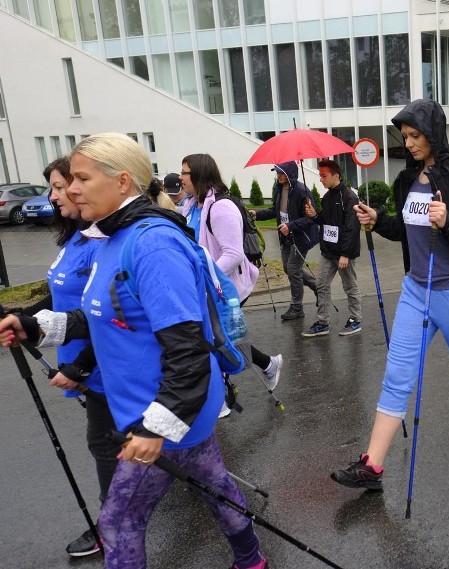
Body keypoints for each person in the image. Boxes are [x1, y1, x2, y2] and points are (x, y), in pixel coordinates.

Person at [0, 133, 266, 569]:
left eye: (82, 178)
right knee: (216, 489)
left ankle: (252, 559)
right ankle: (252, 560)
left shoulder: (152, 244)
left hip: (164, 413)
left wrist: (154, 429)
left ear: (123, 181)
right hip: (166, 414)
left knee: (119, 522)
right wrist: (33, 326)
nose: (71, 189)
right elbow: (100, 317)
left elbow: (188, 352)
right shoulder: (108, 238)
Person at [330, 99, 449, 491]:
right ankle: (372, 467)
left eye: (416, 136)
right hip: (415, 291)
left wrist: (448, 225)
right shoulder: (406, 181)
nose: (410, 143)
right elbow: (406, 230)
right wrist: (379, 221)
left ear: (434, 134)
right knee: (397, 376)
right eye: (406, 137)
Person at [27, 157, 119, 558]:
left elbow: (105, 314)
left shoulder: (100, 242)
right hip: (81, 361)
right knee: (120, 442)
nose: (54, 194)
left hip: (103, 365)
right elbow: (63, 300)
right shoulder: (75, 238)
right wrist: (26, 320)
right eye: (54, 186)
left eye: (61, 185)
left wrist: (80, 365)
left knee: (105, 443)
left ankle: (111, 526)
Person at [180, 154, 282, 415]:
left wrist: (205, 276)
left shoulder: (220, 208)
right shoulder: (191, 206)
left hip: (226, 287)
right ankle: (268, 364)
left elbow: (233, 253)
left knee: (215, 339)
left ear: (200, 175)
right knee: (219, 338)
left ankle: (221, 398)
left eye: (185, 173)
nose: (180, 178)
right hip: (206, 287)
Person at [252, 162, 319, 321]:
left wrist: (290, 226)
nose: (278, 175)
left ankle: (297, 308)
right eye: (277, 172)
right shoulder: (278, 189)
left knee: (293, 268)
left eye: (281, 173)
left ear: (290, 173)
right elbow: (274, 211)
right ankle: (318, 287)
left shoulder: (302, 191)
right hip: (285, 237)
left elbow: (311, 219)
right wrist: (257, 214)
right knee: (287, 268)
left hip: (301, 237)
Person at [303, 159, 362, 337]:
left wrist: (345, 254)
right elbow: (327, 221)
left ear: (336, 176)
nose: (320, 179)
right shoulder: (328, 197)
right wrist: (315, 215)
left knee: (350, 286)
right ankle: (323, 322)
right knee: (321, 284)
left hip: (344, 253)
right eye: (320, 175)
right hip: (328, 252)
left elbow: (352, 228)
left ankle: (355, 319)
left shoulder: (349, 197)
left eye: (324, 175)